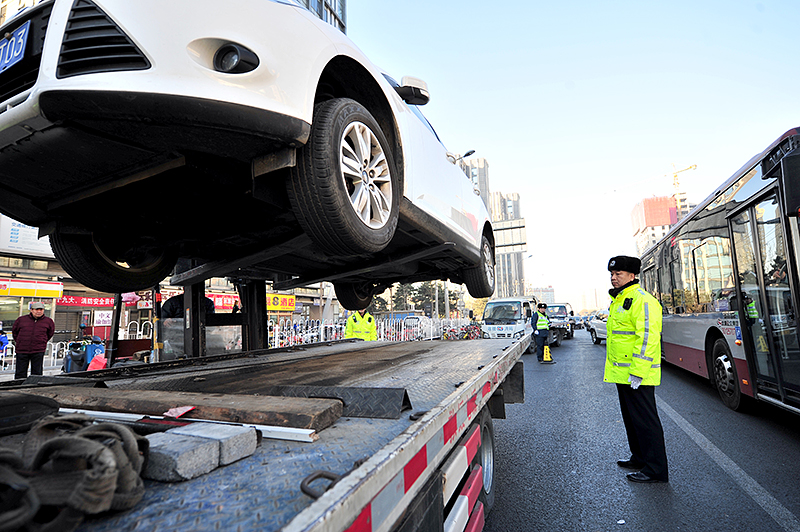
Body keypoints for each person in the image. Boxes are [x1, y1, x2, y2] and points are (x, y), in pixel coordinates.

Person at [605, 255, 668, 483]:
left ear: (632, 275)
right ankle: (640, 457)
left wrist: (638, 371)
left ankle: (656, 470)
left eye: (618, 274)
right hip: (623, 373)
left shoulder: (643, 300)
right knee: (632, 419)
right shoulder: (620, 299)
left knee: (645, 421)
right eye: (612, 274)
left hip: (638, 374)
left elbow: (648, 338)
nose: (613, 278)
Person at [11, 301, 55, 380]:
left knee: (37, 372)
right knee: (20, 371)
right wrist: (21, 342)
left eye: (41, 309)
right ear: (31, 310)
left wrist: (42, 341)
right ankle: (19, 385)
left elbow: (50, 333)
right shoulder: (21, 320)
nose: (39, 311)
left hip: (38, 350)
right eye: (36, 309)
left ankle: (35, 385)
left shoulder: (48, 321)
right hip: (22, 350)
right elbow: (15, 332)